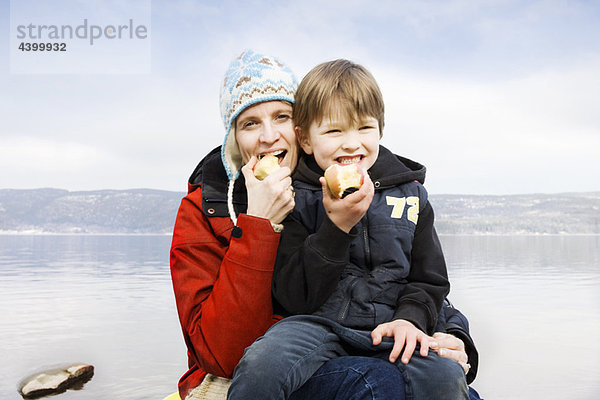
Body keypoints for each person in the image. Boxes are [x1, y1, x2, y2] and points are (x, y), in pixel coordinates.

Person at [170, 50, 480, 400]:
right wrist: (289, 224)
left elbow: (428, 280)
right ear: (309, 137)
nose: (269, 136)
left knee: (448, 379)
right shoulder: (286, 198)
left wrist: (448, 332)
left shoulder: (407, 195)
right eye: (250, 123)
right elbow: (283, 303)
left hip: (393, 327)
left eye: (281, 116)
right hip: (313, 328)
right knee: (366, 382)